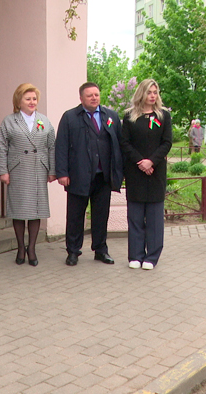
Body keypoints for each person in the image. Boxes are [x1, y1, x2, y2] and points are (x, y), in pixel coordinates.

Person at [55, 82, 124, 266]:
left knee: (101, 216)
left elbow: (119, 145)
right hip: (78, 175)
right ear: (81, 98)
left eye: (96, 94)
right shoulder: (70, 117)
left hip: (103, 177)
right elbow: (61, 146)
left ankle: (100, 250)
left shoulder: (111, 116)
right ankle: (73, 251)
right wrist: (62, 172)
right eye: (89, 95)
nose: (94, 98)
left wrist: (119, 171)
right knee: (75, 216)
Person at [0, 84, 56, 266]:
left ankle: (32, 248)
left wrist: (52, 170)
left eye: (34, 99)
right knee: (20, 211)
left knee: (36, 211)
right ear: (18, 101)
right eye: (28, 99)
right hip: (18, 170)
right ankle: (21, 247)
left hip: (39, 169)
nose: (32, 102)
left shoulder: (44, 121)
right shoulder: (9, 121)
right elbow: (2, 147)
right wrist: (3, 171)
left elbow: (52, 146)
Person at [120, 79, 172, 270]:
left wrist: (152, 161)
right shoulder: (130, 116)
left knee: (154, 218)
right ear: (141, 93)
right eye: (149, 92)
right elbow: (124, 142)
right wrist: (141, 162)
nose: (153, 95)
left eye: (155, 92)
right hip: (135, 172)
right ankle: (135, 255)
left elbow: (167, 142)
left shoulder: (163, 115)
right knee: (135, 216)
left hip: (156, 172)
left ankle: (151, 257)